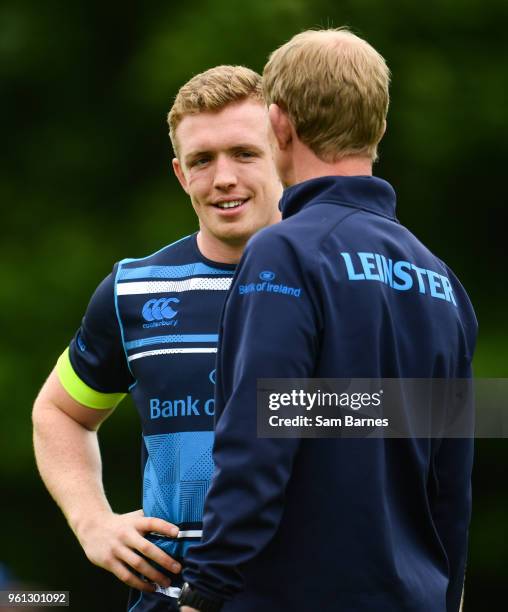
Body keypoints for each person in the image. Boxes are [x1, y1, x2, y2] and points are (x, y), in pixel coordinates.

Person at [177, 29, 477, 612]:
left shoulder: (284, 252)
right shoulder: (442, 280)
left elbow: (261, 433)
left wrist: (205, 590)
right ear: (379, 128)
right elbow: (453, 481)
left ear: (279, 124)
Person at [32, 65, 282, 612]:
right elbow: (59, 413)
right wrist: (92, 521)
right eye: (202, 160)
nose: (223, 178)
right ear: (179, 173)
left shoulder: (345, 279)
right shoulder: (135, 290)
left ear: (282, 152)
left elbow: (430, 426)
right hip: (171, 595)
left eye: (244, 153)